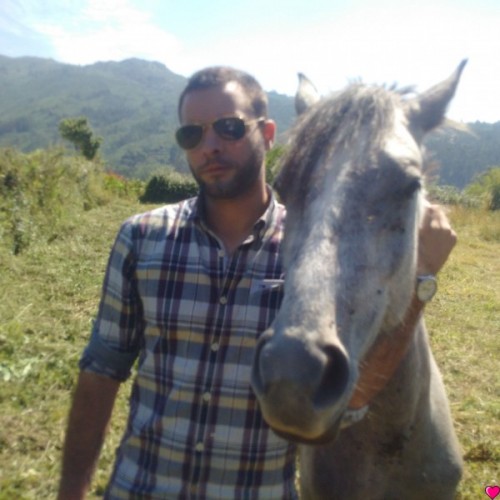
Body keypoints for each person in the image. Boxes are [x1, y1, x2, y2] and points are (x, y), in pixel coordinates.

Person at [57, 66, 457, 499]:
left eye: (229, 128)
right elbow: (101, 372)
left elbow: (353, 400)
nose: (209, 146)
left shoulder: (310, 253)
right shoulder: (141, 237)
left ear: (268, 134)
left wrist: (420, 283)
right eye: (191, 135)